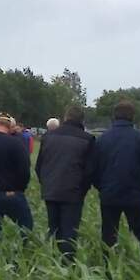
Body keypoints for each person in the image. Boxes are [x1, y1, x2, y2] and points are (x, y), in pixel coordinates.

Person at [93, 101, 140, 259]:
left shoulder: (102, 139)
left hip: (109, 194)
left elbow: (94, 169)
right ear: (132, 117)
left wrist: (102, 187)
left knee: (108, 234)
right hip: (135, 194)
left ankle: (109, 269)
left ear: (114, 116)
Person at [35, 106, 96, 262]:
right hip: (73, 192)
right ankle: (67, 265)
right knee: (69, 232)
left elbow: (39, 166)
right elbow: (90, 171)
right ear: (82, 120)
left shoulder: (48, 137)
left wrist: (46, 183)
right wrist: (82, 190)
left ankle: (51, 261)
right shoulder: (87, 139)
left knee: (53, 229)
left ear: (65, 118)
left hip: (51, 190)